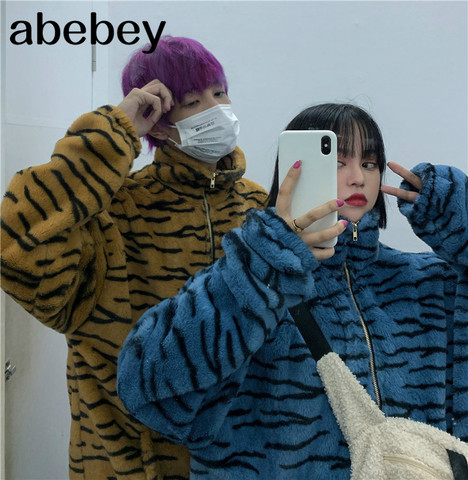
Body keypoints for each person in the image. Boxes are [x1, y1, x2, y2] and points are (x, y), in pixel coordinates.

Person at [117, 103, 468, 479]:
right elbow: (147, 390)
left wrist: (461, 222)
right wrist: (262, 268)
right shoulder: (250, 283)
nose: (357, 178)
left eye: (369, 162)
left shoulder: (427, 282)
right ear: (293, 170)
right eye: (337, 161)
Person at [0, 36, 268, 480]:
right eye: (192, 101)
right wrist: (114, 131)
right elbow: (16, 248)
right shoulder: (113, 213)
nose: (216, 109)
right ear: (158, 125)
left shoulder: (258, 206)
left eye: (219, 93)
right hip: (129, 465)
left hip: (239, 461)